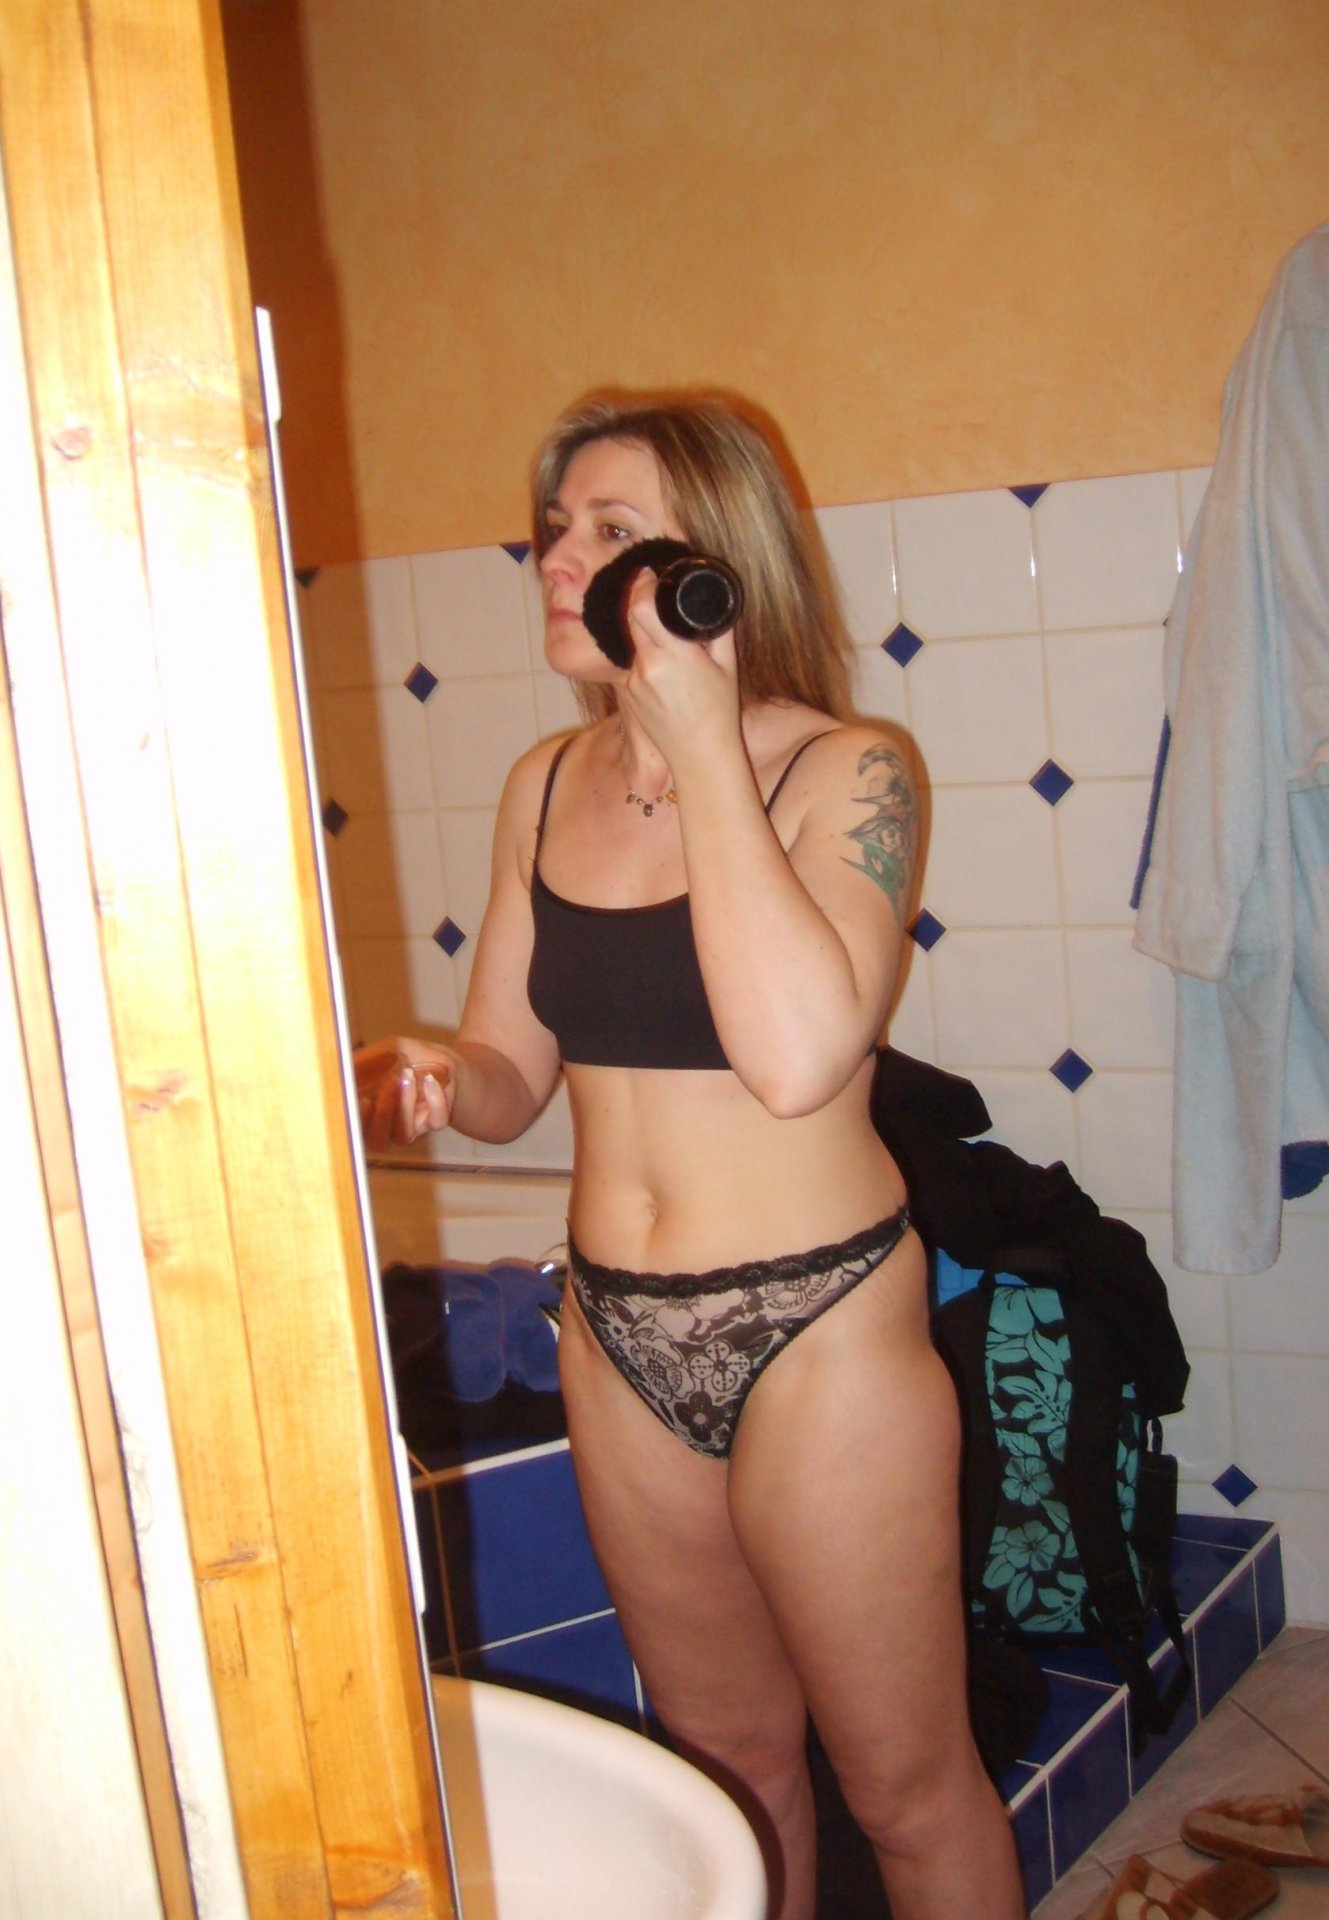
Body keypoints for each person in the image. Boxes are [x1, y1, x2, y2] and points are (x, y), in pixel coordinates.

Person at [361, 393, 1025, 1920]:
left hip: (819, 1324)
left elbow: (797, 1058)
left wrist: (703, 744)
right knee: (726, 1767)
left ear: (711, 572)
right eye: (553, 530)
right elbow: (511, 1076)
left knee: (906, 1789)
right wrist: (430, 1079)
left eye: (609, 531)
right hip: (616, 1332)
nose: (555, 560)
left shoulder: (849, 771)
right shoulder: (543, 783)